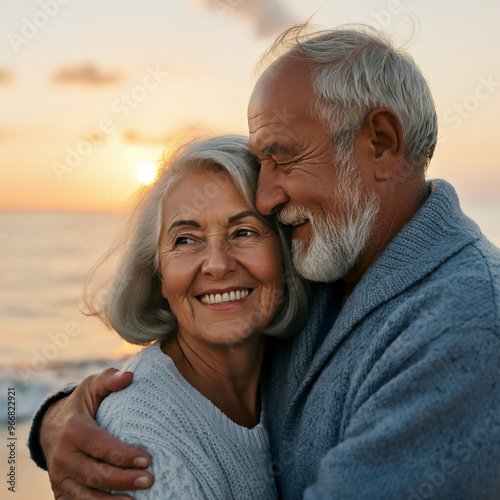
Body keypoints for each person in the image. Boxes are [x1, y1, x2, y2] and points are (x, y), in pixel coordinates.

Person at [30, 24, 500, 499]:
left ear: (379, 142)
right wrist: (56, 419)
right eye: (186, 239)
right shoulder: (325, 264)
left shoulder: (465, 329)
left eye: (284, 158)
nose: (266, 195)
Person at [31, 134, 309, 499]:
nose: (217, 264)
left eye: (244, 232)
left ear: (285, 256)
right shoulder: (140, 443)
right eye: (185, 240)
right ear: (158, 273)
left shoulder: (294, 363)